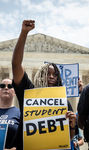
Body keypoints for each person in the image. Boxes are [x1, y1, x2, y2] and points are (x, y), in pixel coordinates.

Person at [8, 20, 82, 150]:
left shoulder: (64, 102)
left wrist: (72, 124)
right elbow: (16, 65)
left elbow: (68, 139)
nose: (52, 77)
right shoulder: (29, 93)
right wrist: (24, 33)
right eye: (47, 73)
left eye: (55, 74)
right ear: (40, 75)